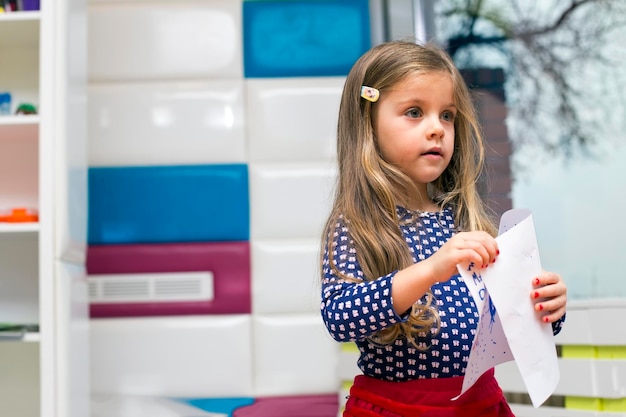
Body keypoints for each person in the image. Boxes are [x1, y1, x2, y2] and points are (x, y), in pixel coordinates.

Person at [319, 40, 567, 417]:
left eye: (447, 115)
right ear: (367, 123)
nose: (437, 128)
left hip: (481, 404)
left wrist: (545, 307)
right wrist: (431, 270)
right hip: (395, 407)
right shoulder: (357, 224)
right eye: (415, 112)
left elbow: (507, 325)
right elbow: (340, 316)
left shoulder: (465, 223)